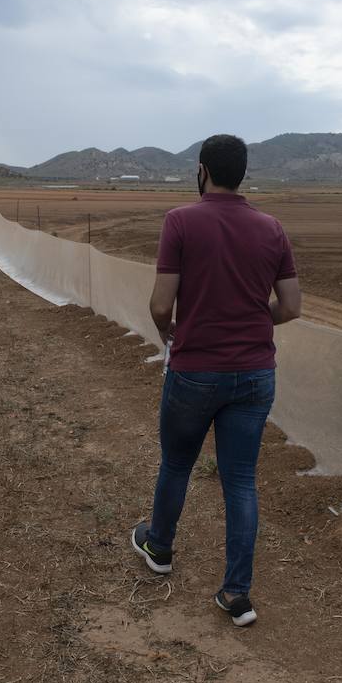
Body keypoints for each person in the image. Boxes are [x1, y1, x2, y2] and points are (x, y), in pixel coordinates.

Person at [130, 134, 302, 627]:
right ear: (243, 172)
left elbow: (161, 305)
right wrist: (248, 322)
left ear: (202, 170)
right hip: (254, 375)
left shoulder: (181, 221)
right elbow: (290, 307)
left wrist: (172, 338)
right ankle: (236, 593)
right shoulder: (272, 229)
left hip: (196, 372)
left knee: (178, 464)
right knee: (241, 481)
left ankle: (159, 547)